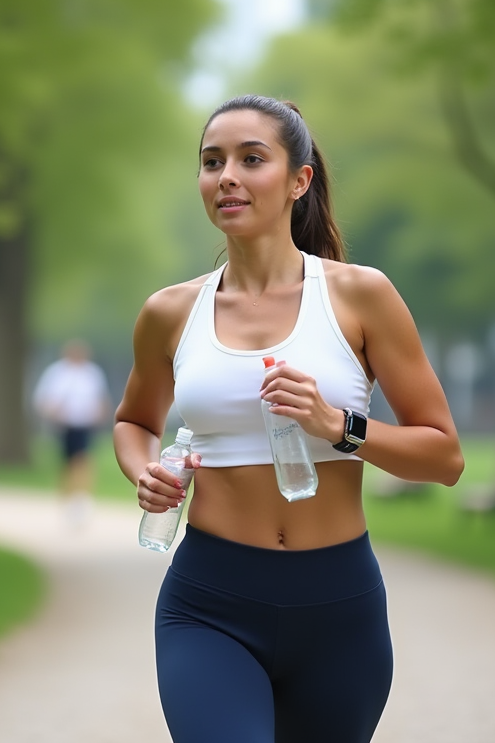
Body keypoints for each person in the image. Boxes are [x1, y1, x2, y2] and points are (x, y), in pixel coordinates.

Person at [113, 95, 464, 743]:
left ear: (299, 181)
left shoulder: (361, 295)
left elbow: (444, 457)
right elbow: (134, 420)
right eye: (211, 161)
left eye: (252, 159)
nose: (227, 177)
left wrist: (340, 427)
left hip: (339, 609)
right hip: (209, 604)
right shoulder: (169, 311)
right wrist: (144, 470)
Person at [33, 339, 111, 528]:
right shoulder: (57, 373)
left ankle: (82, 499)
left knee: (83, 460)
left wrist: (101, 414)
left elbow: (101, 398)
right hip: (63, 425)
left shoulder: (92, 373)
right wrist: (53, 412)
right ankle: (66, 498)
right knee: (66, 463)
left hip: (84, 425)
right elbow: (43, 400)